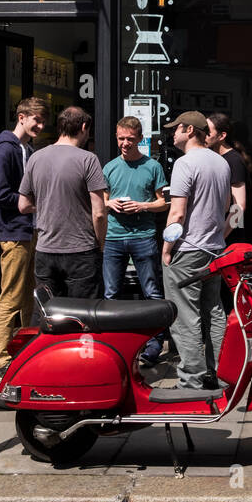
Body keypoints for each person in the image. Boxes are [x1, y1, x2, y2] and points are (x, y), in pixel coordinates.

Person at [160, 110, 232, 391]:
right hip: (215, 248)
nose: (172, 134)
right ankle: (218, 371)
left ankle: (192, 378)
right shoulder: (221, 163)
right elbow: (227, 208)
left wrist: (166, 249)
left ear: (190, 130)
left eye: (175, 129)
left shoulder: (184, 163)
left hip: (188, 248)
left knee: (184, 314)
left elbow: (177, 214)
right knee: (214, 310)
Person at [18, 105, 108, 300]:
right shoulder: (88, 159)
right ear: (84, 127)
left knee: (49, 315)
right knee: (83, 314)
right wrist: (100, 246)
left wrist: (48, 203)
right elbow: (99, 213)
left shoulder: (36, 158)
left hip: (45, 250)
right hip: (81, 250)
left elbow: (23, 205)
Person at [0, 96, 49, 382]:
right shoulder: (5, 149)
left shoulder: (26, 148)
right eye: (36, 119)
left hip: (29, 230)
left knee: (28, 296)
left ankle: (25, 350)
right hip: (14, 232)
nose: (40, 125)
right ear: (21, 117)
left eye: (43, 120)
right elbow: (0, 194)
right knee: (11, 296)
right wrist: (33, 203)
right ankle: (2, 360)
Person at [103, 115, 168, 366]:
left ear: (140, 139)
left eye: (130, 139)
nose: (125, 144)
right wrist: (111, 203)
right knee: (111, 293)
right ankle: (114, 342)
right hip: (114, 237)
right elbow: (102, 200)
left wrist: (142, 206)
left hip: (143, 236)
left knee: (151, 292)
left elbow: (163, 203)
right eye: (121, 139)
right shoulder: (109, 167)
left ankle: (154, 343)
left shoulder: (152, 167)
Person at [205, 111, 252, 242]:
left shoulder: (234, 160)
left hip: (230, 236)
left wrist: (222, 236)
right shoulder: (211, 157)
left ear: (222, 136)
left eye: (208, 132)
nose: (204, 135)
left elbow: (239, 206)